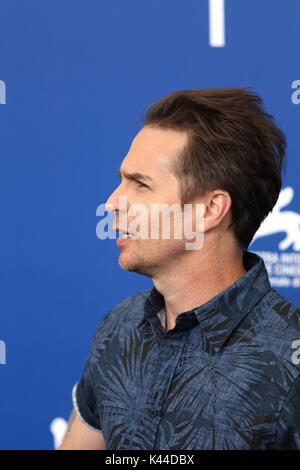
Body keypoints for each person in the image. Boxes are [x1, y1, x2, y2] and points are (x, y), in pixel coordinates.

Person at [59, 88, 300, 450]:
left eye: (140, 184)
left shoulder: (289, 362)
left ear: (209, 209)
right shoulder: (119, 327)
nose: (112, 203)